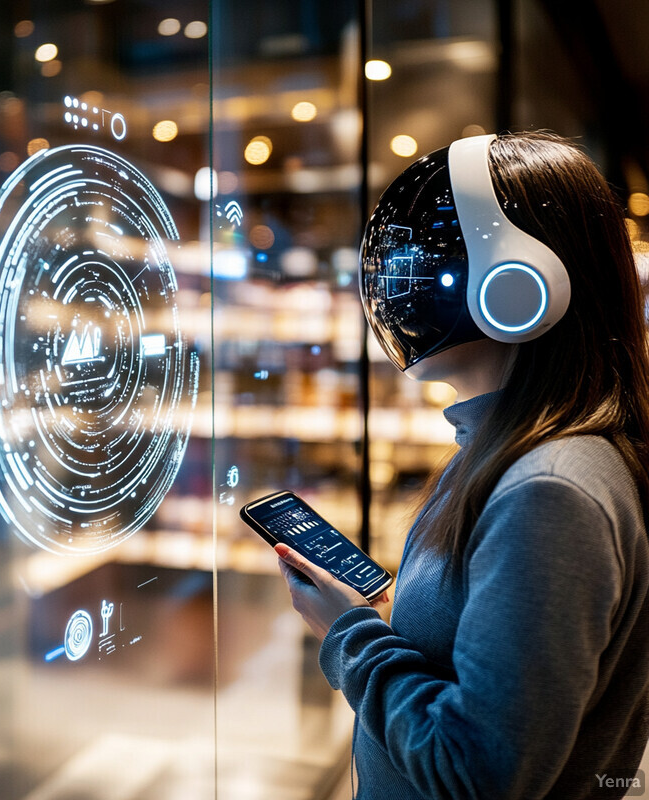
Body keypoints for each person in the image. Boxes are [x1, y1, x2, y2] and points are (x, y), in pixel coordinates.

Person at [274, 131, 649, 799]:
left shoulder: (552, 490)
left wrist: (348, 633)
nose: (397, 285)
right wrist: (396, 614)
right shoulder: (507, 450)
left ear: (521, 286)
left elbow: (479, 771)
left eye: (427, 263)